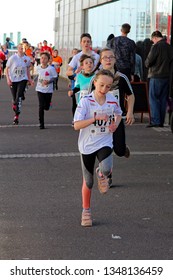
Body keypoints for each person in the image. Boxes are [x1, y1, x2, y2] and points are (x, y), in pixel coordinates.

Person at [74, 69, 122, 227]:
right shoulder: (86, 101)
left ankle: (101, 172)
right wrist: (94, 118)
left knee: (107, 169)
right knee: (88, 182)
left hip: (104, 140)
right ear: (94, 82)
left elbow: (118, 113)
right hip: (87, 144)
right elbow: (76, 125)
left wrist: (115, 123)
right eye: (101, 85)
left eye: (108, 87)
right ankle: (85, 211)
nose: (104, 89)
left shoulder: (112, 100)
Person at [91, 48, 135, 187]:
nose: (108, 60)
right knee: (105, 148)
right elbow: (87, 97)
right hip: (100, 121)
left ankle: (122, 148)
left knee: (119, 150)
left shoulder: (121, 77)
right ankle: (106, 175)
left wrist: (129, 112)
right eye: (105, 58)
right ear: (101, 60)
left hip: (117, 119)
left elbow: (131, 95)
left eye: (111, 57)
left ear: (115, 60)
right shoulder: (95, 78)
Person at [145, 30, 173, 127]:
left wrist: (147, 63)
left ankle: (156, 121)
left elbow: (148, 62)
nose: (153, 42)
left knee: (153, 99)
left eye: (153, 40)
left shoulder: (156, 47)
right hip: (166, 76)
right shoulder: (169, 47)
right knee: (163, 99)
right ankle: (161, 121)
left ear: (155, 37)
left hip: (156, 76)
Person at [6, 43, 34, 124]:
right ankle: (15, 109)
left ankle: (16, 116)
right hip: (13, 80)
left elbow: (27, 70)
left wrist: (30, 79)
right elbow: (7, 69)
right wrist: (8, 79)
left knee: (18, 97)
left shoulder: (27, 59)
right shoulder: (12, 58)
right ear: (18, 49)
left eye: (23, 48)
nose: (22, 49)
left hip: (22, 79)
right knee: (15, 97)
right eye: (20, 48)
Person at [35, 52, 57, 129]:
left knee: (46, 107)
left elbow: (55, 77)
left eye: (45, 58)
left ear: (48, 60)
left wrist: (49, 81)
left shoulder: (51, 69)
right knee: (41, 106)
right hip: (39, 89)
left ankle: (48, 104)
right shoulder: (38, 67)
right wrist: (31, 81)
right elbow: (37, 76)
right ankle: (41, 123)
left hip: (48, 90)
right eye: (42, 58)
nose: (43, 60)